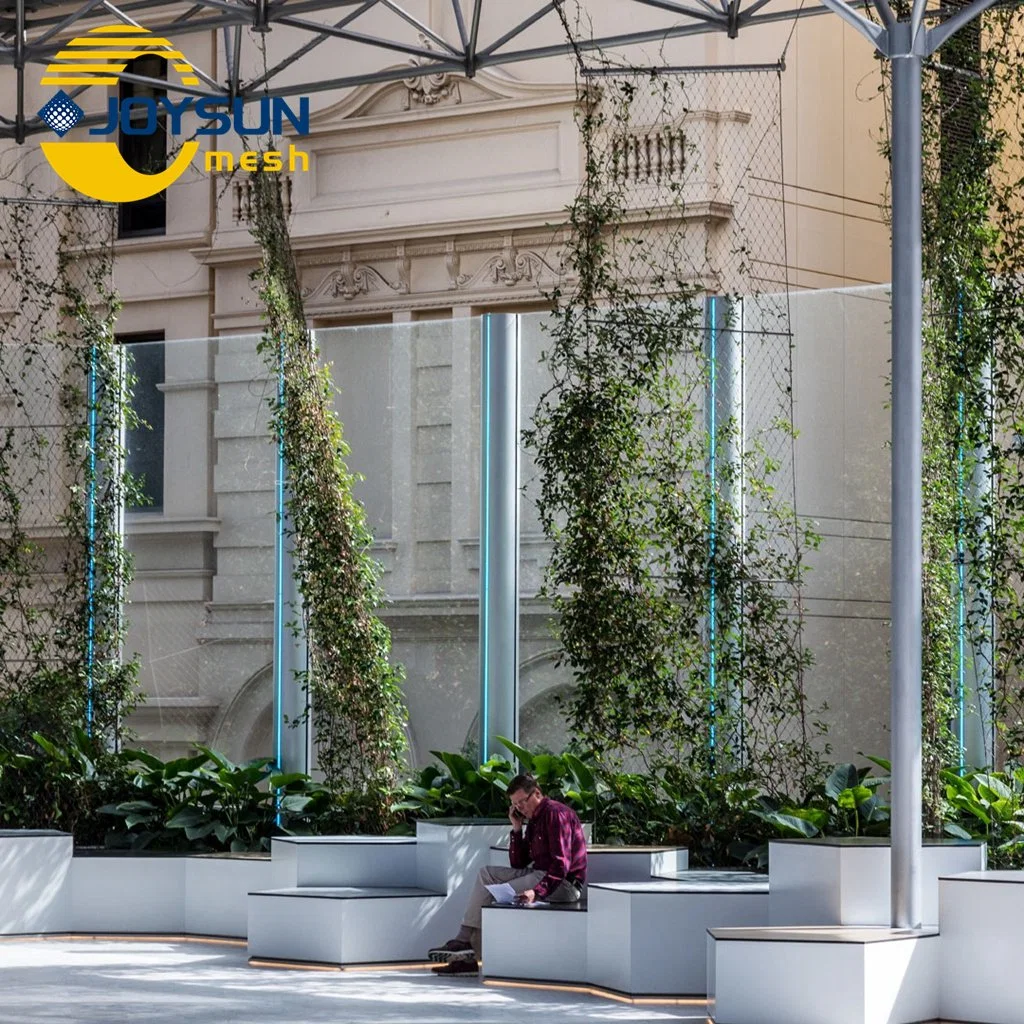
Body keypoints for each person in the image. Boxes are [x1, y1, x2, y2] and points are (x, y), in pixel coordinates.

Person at [428, 772, 588, 977]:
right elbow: (518, 863)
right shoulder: (533, 820)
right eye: (516, 805)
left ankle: (465, 949)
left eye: (522, 802)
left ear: (537, 793)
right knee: (486, 875)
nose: (520, 808)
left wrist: (536, 893)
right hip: (540, 874)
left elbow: (561, 864)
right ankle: (464, 946)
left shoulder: (555, 814)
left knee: (511, 886)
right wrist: (516, 828)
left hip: (564, 885)